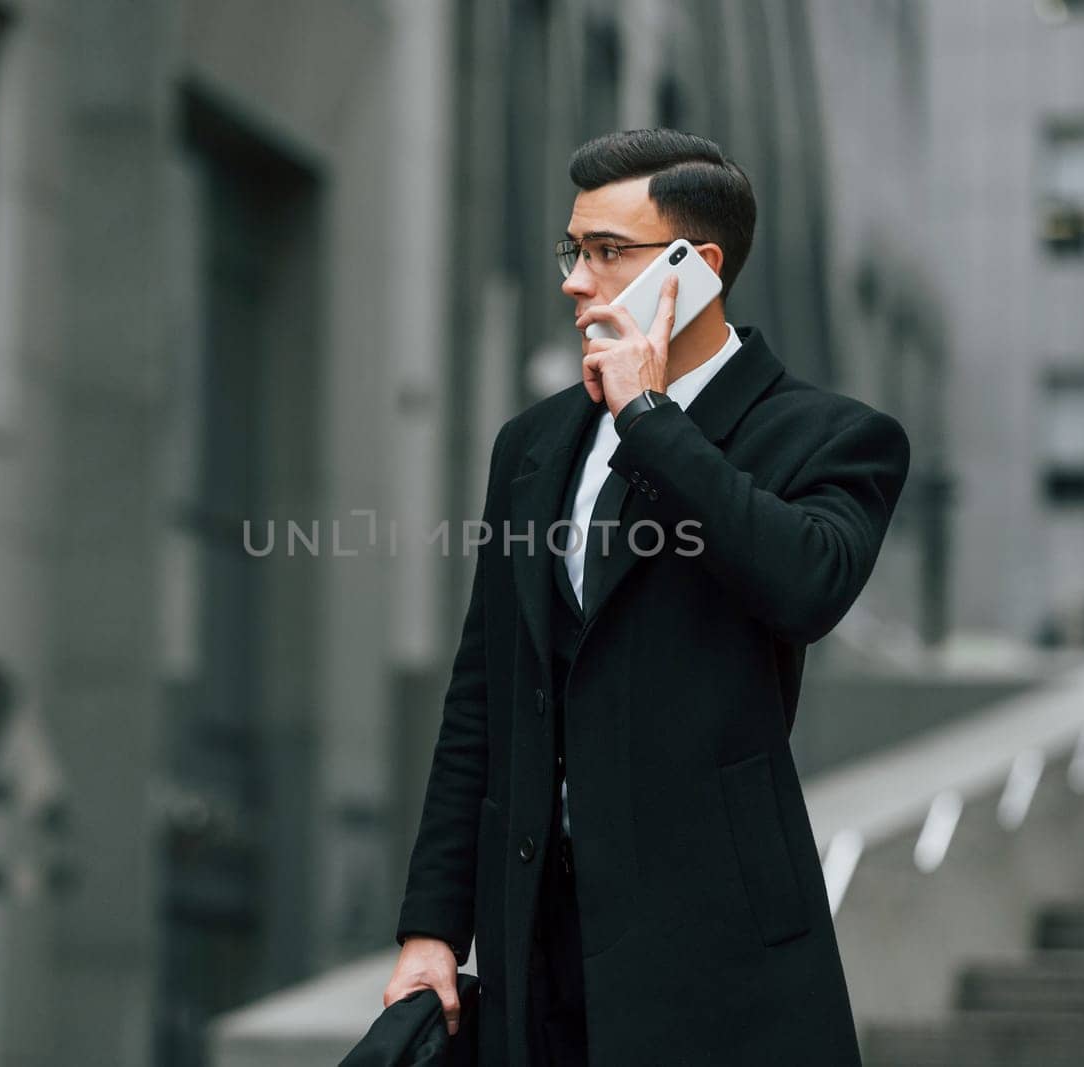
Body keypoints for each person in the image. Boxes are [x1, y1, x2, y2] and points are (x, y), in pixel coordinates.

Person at [382, 128, 911, 1066]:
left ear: (695, 269)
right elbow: (483, 694)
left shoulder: (834, 437)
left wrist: (649, 418)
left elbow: (807, 584)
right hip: (535, 939)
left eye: (604, 252)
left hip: (719, 946)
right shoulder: (533, 444)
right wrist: (433, 927)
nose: (574, 280)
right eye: (571, 249)